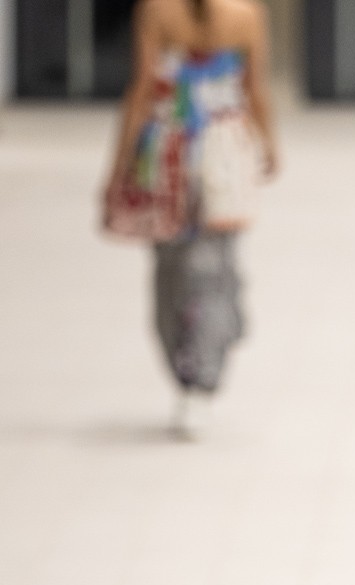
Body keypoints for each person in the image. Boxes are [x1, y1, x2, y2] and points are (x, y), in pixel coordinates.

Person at [102, 0, 278, 430]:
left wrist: (118, 167)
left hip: (168, 153)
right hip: (225, 152)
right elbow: (255, 90)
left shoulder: (157, 11)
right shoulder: (246, 13)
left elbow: (143, 90)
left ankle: (189, 372)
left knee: (171, 271)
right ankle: (212, 353)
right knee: (215, 264)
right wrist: (269, 145)